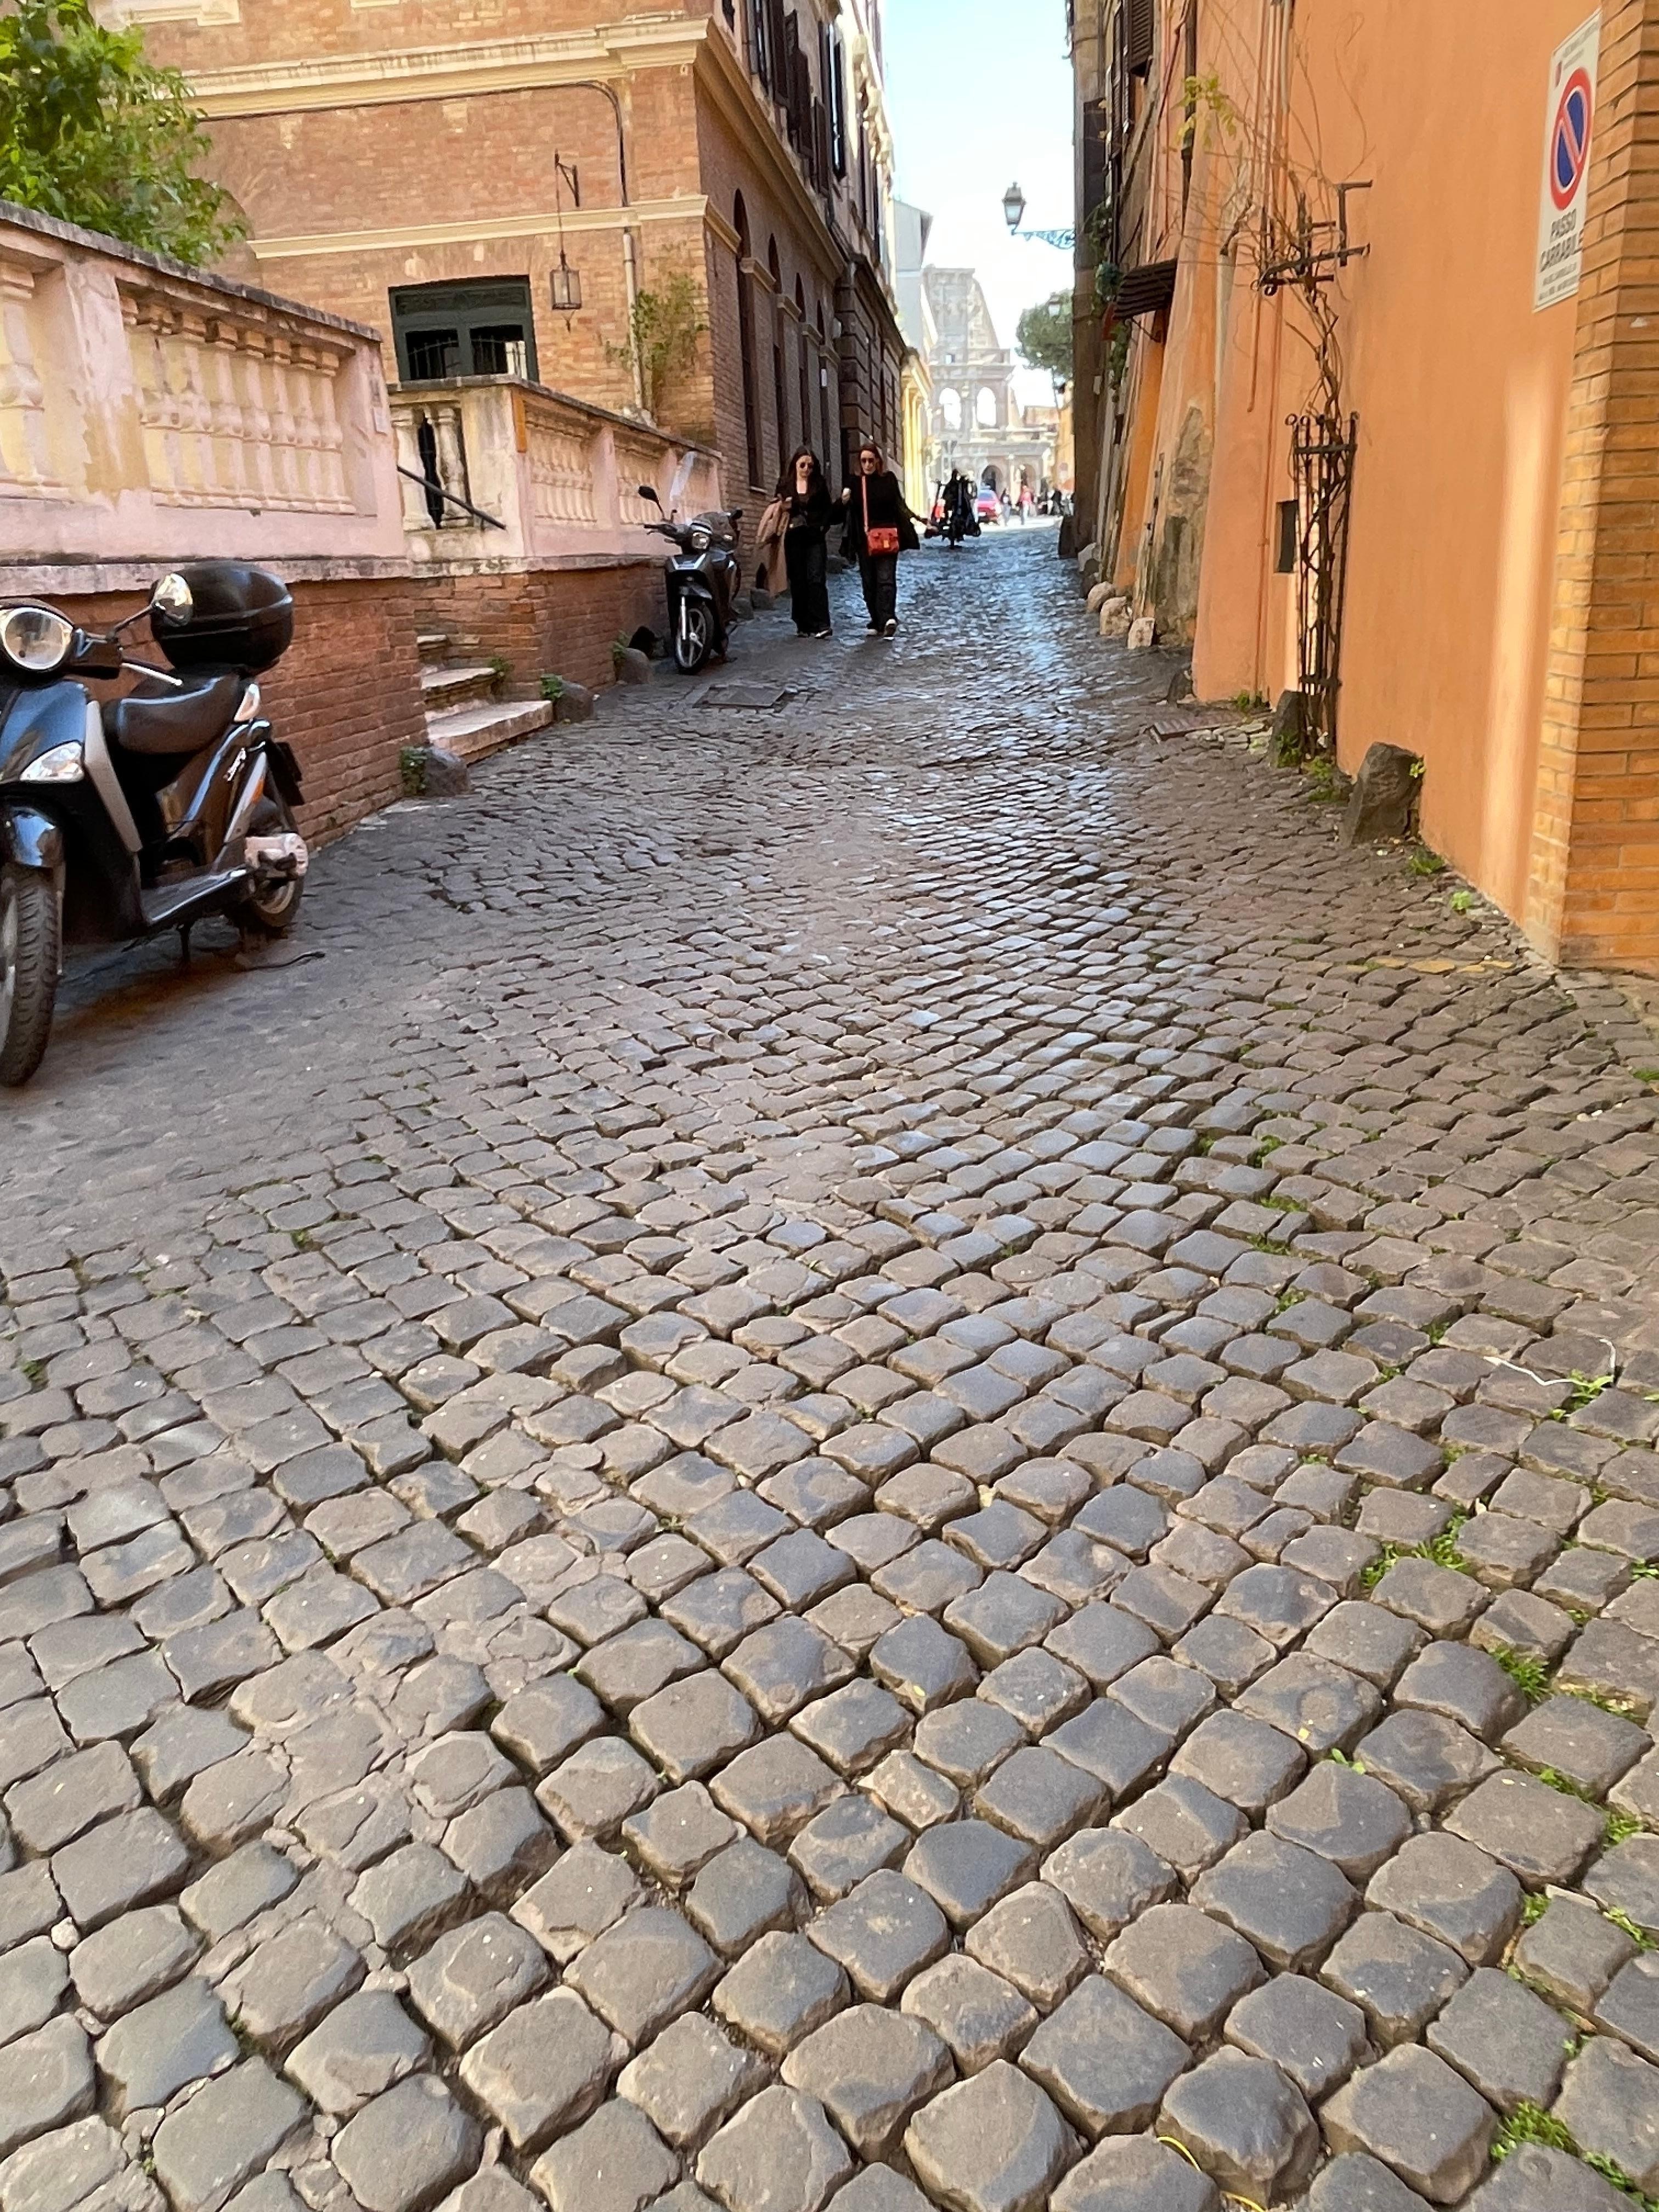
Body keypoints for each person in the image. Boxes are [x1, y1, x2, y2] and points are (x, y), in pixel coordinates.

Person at [840, 442, 918, 635]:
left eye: (871, 460)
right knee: (869, 582)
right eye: (864, 461)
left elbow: (899, 506)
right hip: (864, 539)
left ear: (877, 461)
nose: (868, 465)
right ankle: (876, 620)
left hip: (887, 537)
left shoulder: (888, 480)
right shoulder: (855, 483)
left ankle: (888, 618)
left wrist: (916, 521)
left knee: (886, 579)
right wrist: (843, 502)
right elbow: (845, 511)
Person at [774, 446, 834, 639]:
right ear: (795, 464)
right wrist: (785, 507)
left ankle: (822, 623)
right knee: (798, 580)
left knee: (816, 578)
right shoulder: (785, 484)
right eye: (803, 465)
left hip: (815, 537)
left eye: (810, 465)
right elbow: (778, 506)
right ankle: (803, 623)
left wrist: (822, 527)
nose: (806, 469)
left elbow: (827, 509)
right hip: (794, 537)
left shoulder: (819, 484)